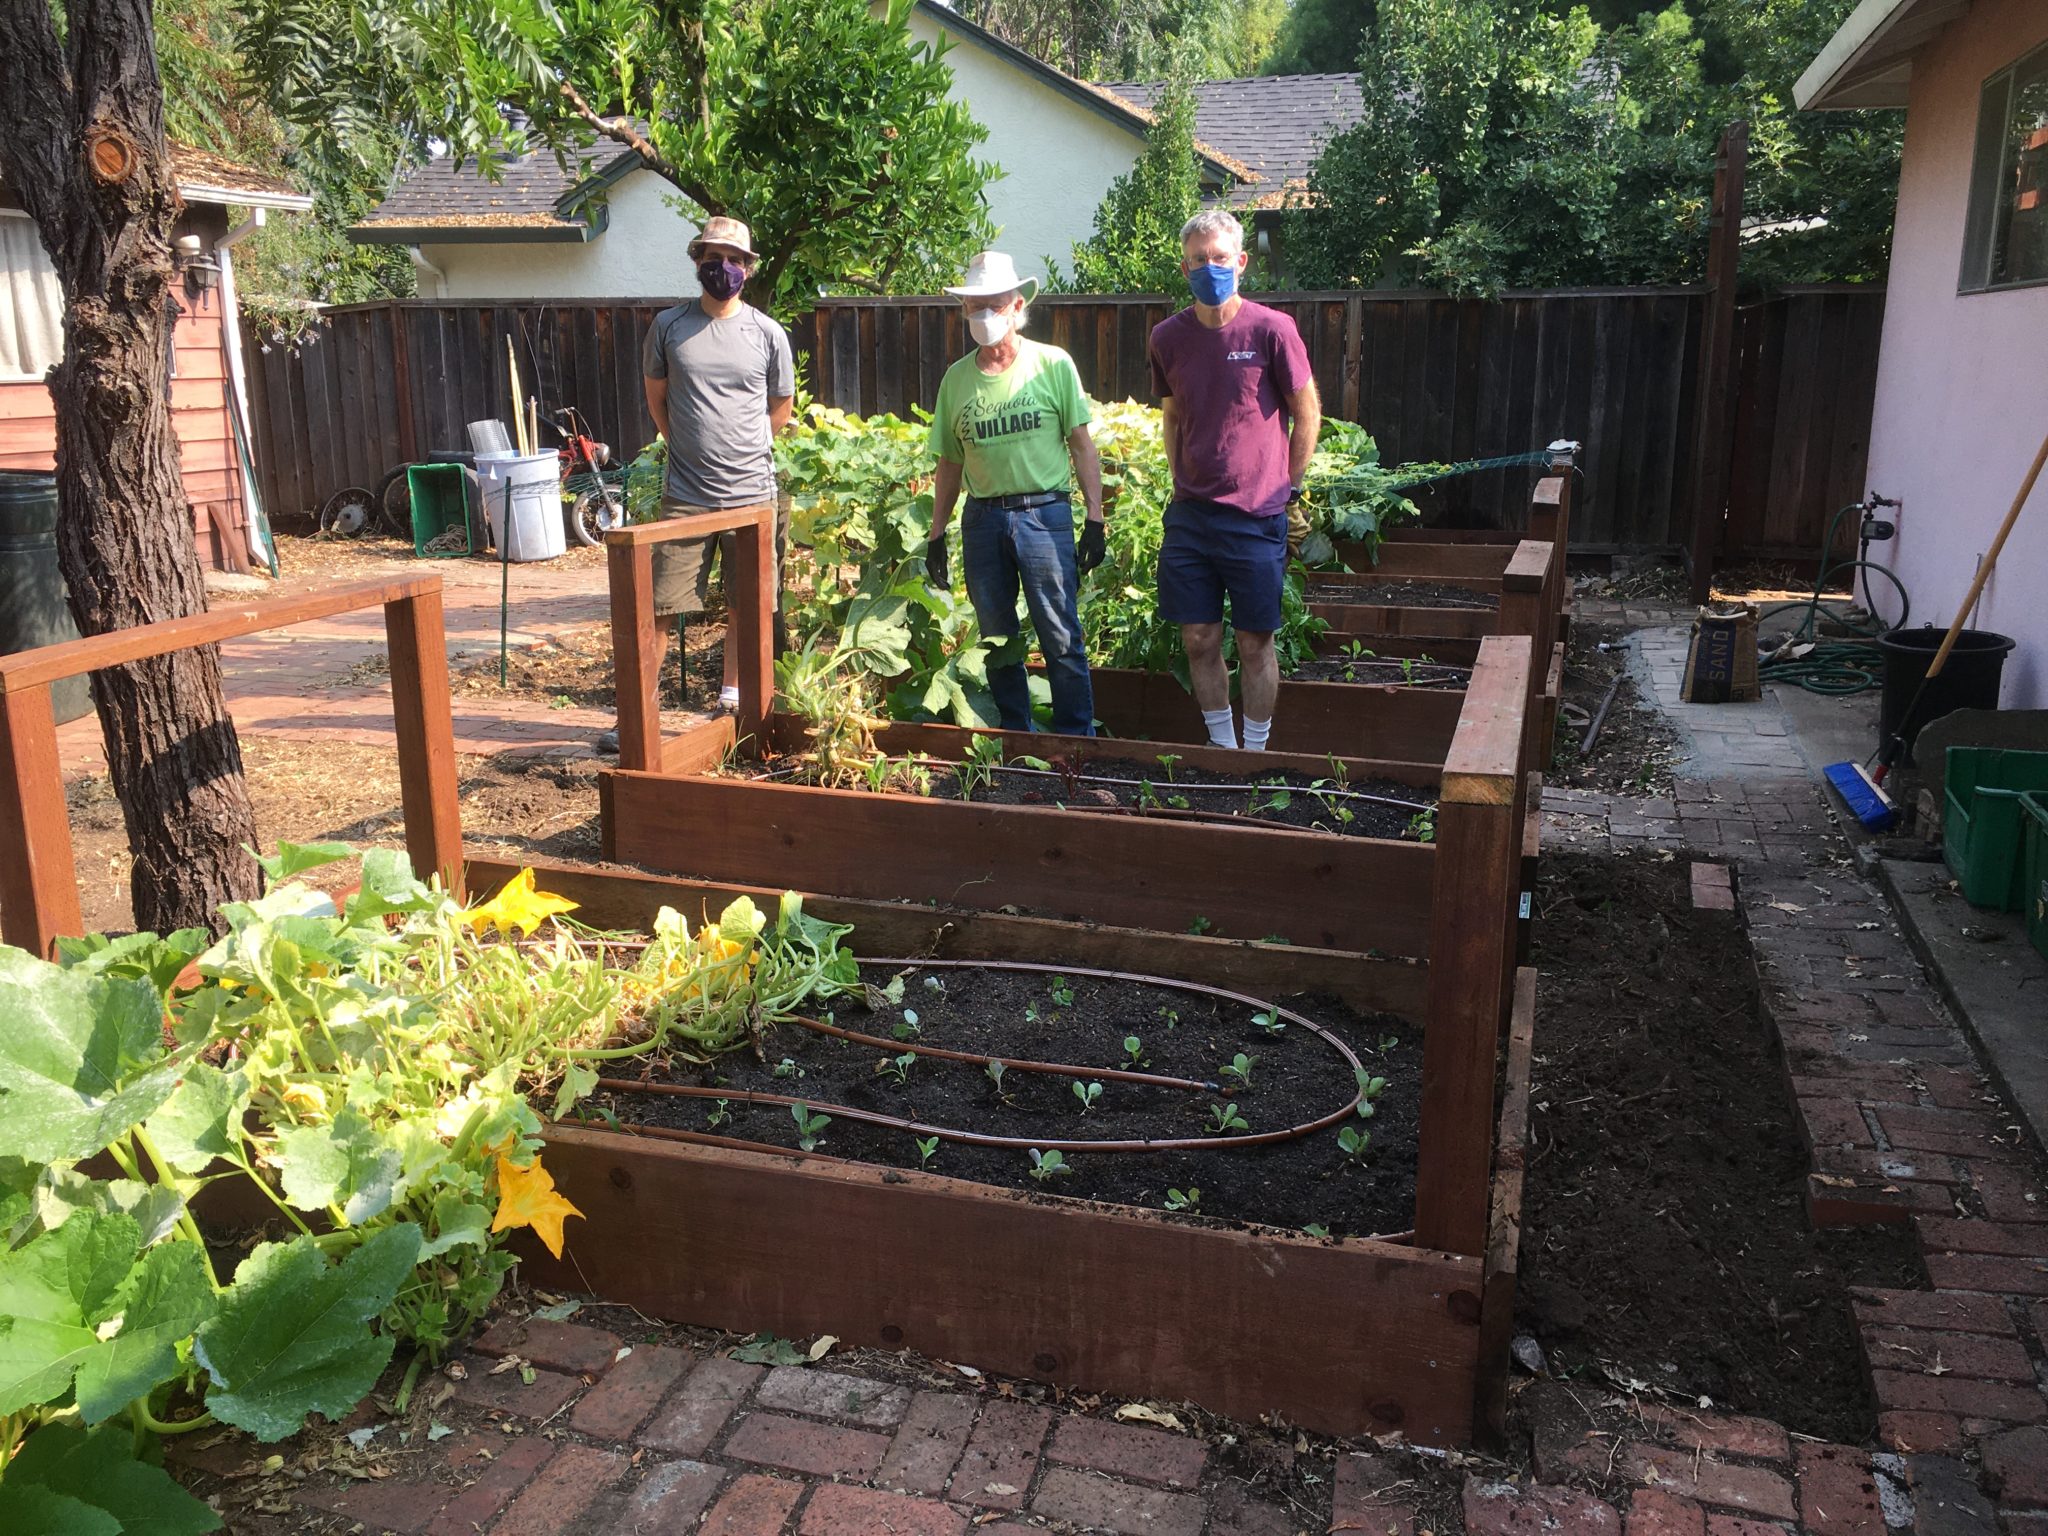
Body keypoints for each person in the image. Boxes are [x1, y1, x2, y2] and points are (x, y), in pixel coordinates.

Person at [604, 216, 793, 751]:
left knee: (746, 603)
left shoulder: (767, 333)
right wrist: (687, 445)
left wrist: (745, 445)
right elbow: (656, 399)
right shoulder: (669, 327)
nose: (723, 268)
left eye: (734, 259)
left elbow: (780, 408)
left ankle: (733, 700)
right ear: (696, 262)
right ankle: (636, 716)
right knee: (660, 604)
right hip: (686, 496)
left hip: (753, 494)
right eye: (713, 257)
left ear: (748, 269)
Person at [1147, 210, 1321, 751]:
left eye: (1220, 257)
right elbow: (1172, 415)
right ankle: (1224, 753)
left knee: (1254, 642)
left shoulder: (1272, 330)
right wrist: (1179, 479)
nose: (1210, 267)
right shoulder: (1167, 338)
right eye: (1199, 260)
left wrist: (1287, 485)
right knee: (1199, 638)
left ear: (1241, 262)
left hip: (1255, 513)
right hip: (1192, 516)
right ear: (1184, 268)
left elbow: (1306, 410)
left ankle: (1257, 752)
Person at [928, 250, 1105, 735]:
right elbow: (949, 463)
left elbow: (1081, 445)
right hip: (983, 520)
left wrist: (1095, 516)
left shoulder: (1052, 365)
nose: (983, 314)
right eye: (973, 305)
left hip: (1043, 515)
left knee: (1060, 631)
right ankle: (1014, 735)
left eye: (994, 303)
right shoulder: (956, 380)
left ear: (1017, 304)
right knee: (998, 638)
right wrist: (936, 533)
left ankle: (1075, 739)